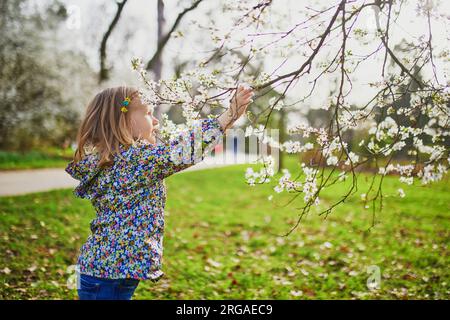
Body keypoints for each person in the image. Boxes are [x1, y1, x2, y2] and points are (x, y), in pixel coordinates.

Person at [65, 84, 254, 300]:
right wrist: (228, 116)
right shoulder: (135, 160)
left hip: (99, 269)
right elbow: (181, 151)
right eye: (148, 114)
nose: (155, 121)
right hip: (108, 275)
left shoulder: (116, 160)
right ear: (122, 120)